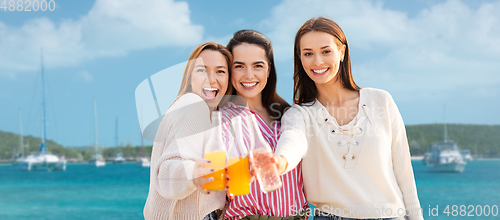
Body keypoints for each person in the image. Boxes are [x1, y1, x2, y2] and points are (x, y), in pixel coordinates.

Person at [274, 17, 424, 220]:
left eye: (326, 51)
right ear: (300, 58)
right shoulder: (299, 114)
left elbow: (405, 173)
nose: (317, 61)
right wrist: (279, 161)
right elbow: (293, 140)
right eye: (308, 53)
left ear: (342, 52)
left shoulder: (381, 101)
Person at [219, 30, 308, 220]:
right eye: (239, 66)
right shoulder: (222, 119)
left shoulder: (288, 114)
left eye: (257, 66)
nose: (249, 75)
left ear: (268, 70)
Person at [143, 42, 233, 220]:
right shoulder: (193, 105)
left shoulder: (207, 115)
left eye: (220, 71)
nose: (211, 79)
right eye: (202, 70)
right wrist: (195, 173)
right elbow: (169, 172)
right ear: (189, 77)